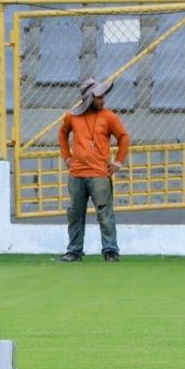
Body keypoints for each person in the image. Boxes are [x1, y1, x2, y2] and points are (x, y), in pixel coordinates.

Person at [57, 78, 130, 262]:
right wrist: (67, 158)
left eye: (103, 96)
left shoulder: (109, 116)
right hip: (77, 175)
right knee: (75, 214)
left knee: (105, 214)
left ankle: (110, 250)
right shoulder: (71, 116)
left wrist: (118, 163)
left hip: (99, 174)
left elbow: (124, 137)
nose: (103, 100)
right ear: (89, 98)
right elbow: (62, 134)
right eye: (99, 97)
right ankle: (74, 250)